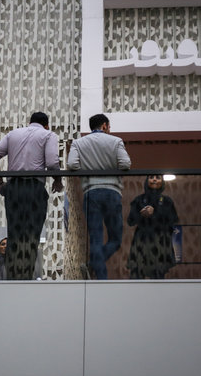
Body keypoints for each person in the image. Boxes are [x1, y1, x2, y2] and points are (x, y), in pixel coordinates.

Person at [0, 112, 63, 280]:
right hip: (34, 188)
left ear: (30, 122)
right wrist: (57, 181)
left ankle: (12, 278)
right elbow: (52, 163)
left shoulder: (13, 134)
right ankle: (26, 278)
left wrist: (0, 184)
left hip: (13, 189)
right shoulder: (48, 135)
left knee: (14, 235)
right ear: (46, 125)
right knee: (32, 235)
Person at [67, 113, 131, 279]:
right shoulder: (116, 141)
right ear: (104, 125)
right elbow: (125, 164)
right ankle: (94, 264)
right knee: (115, 239)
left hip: (91, 191)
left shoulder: (78, 143)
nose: (110, 129)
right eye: (109, 126)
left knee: (95, 237)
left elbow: (72, 164)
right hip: (112, 192)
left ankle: (99, 277)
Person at [126, 175, 179, 279]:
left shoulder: (167, 201)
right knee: (136, 275)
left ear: (162, 182)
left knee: (158, 276)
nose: (154, 179)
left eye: (158, 177)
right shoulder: (139, 199)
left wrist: (155, 213)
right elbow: (130, 221)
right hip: (142, 241)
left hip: (160, 241)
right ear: (147, 181)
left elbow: (173, 221)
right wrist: (141, 214)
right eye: (151, 177)